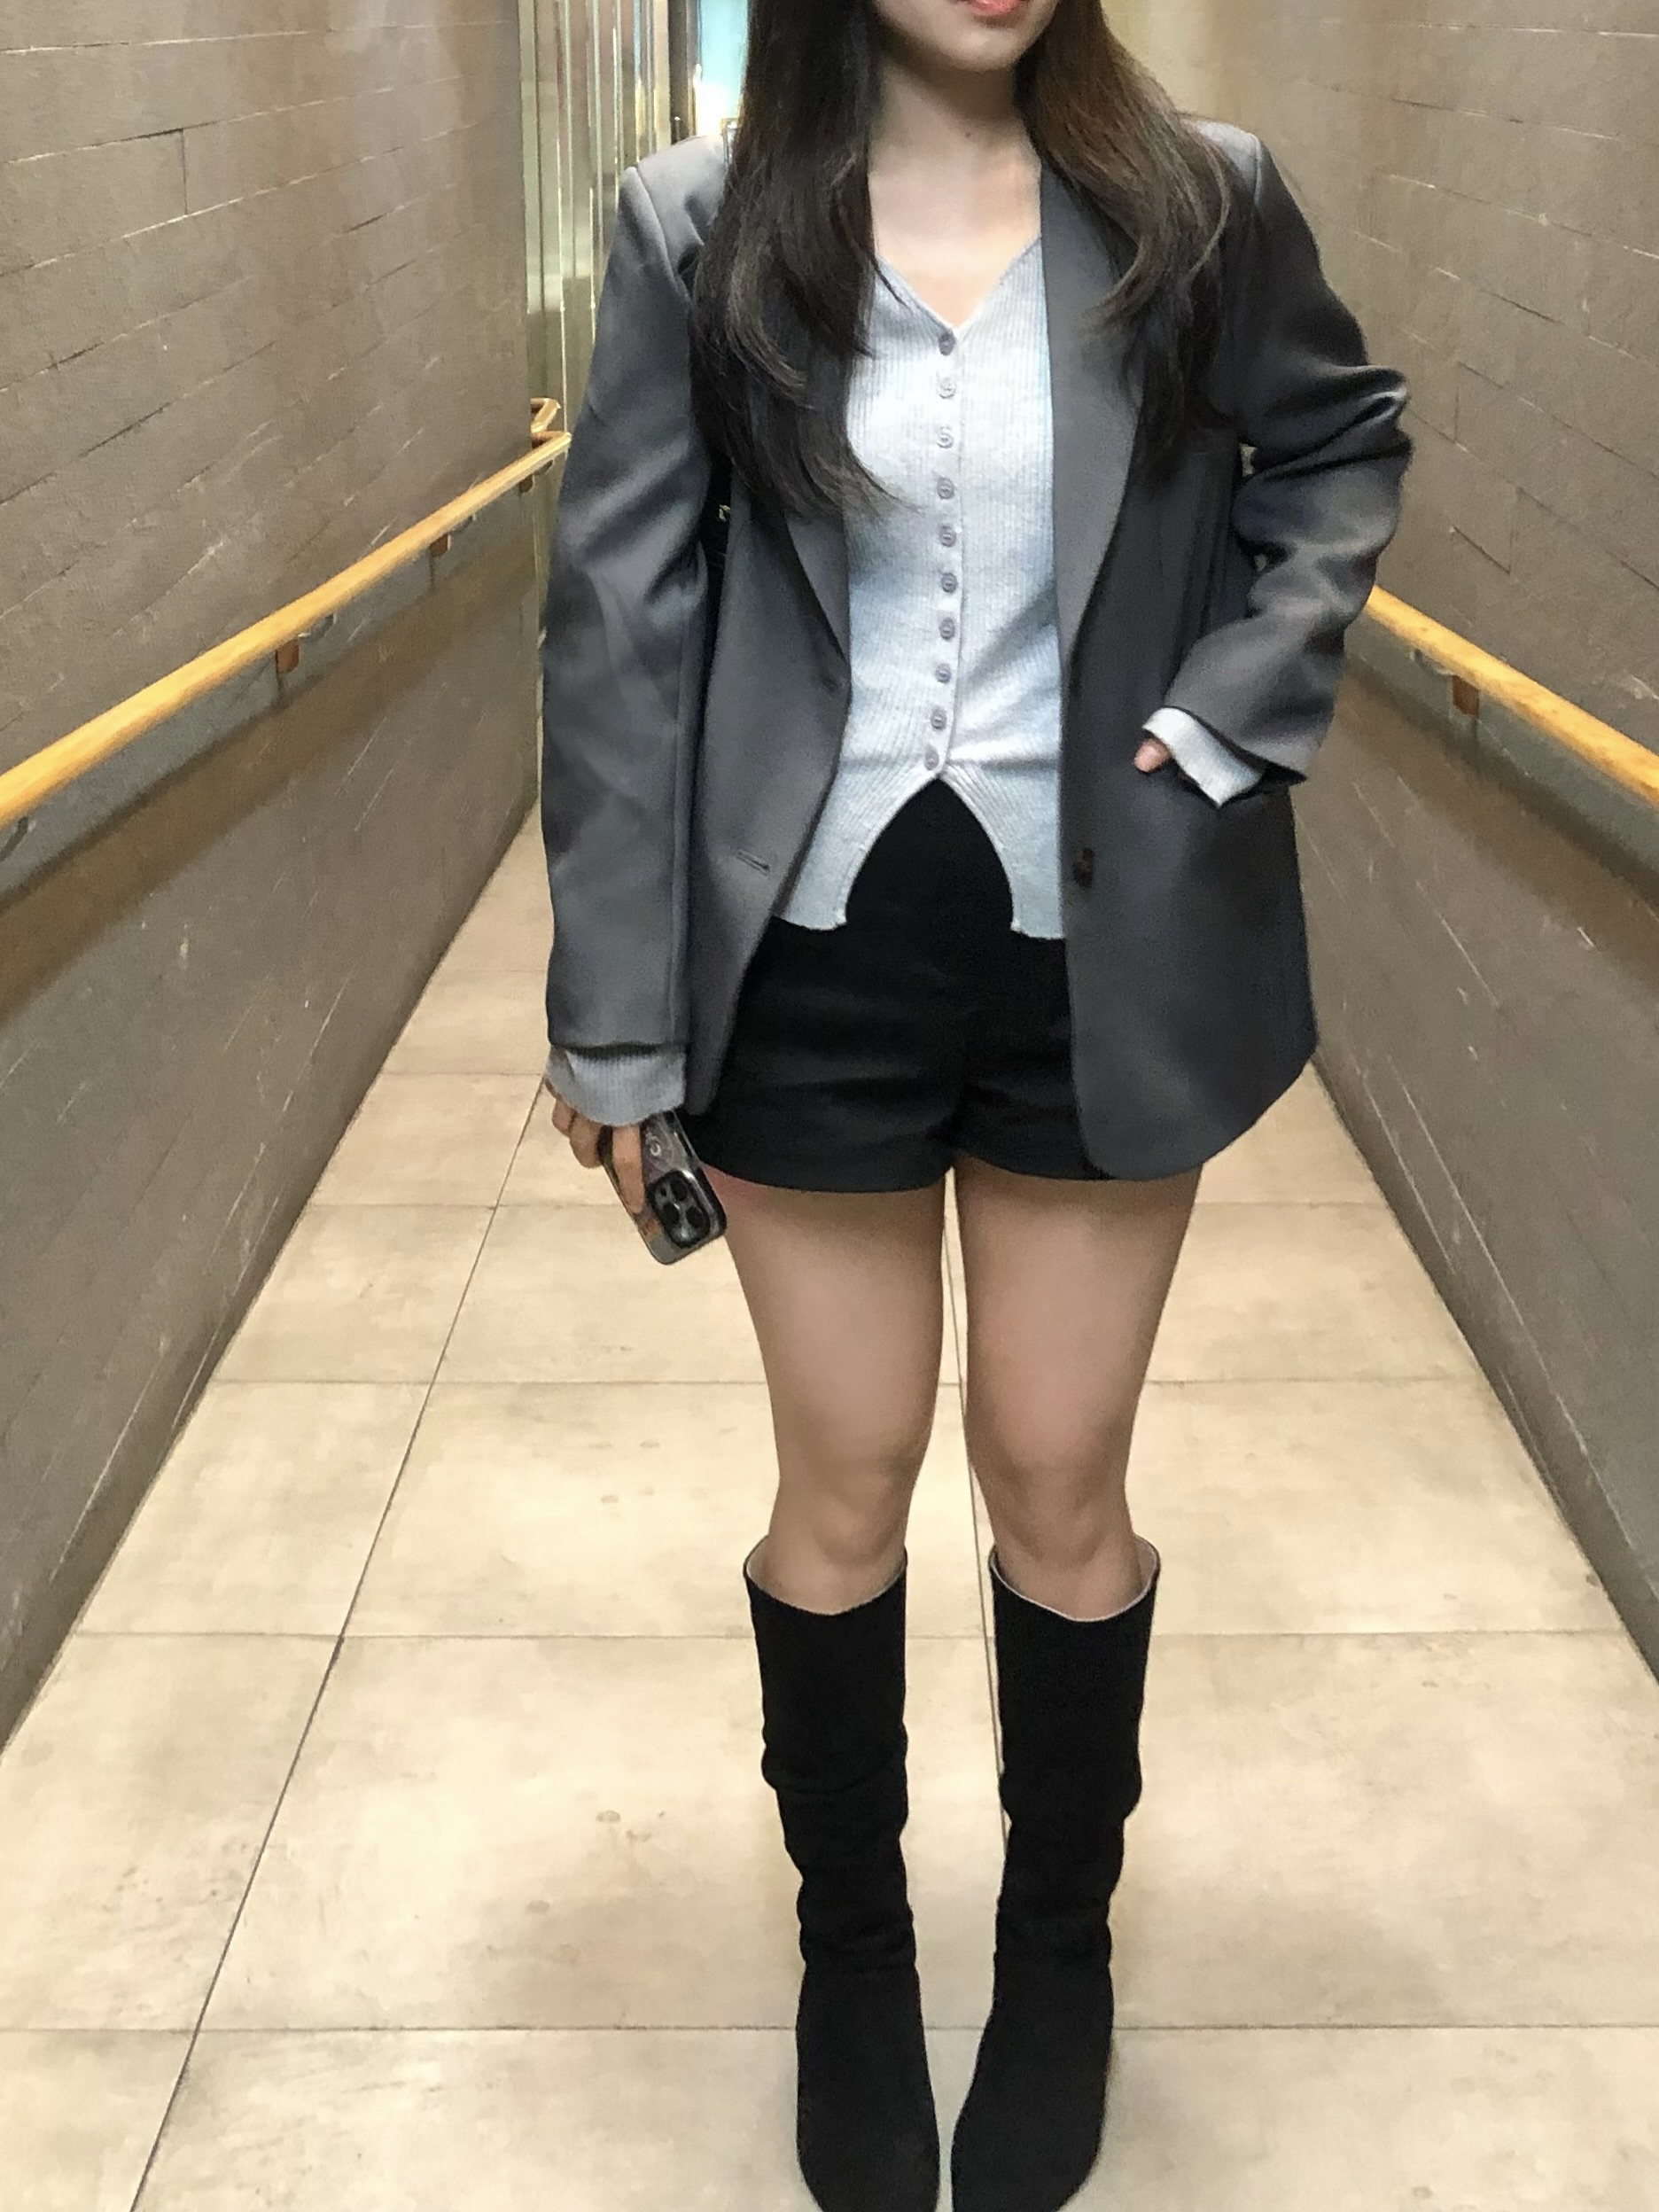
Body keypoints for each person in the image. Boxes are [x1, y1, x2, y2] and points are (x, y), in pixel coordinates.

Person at [540, 2, 1410, 2206]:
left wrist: (1238, 705)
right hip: (805, 963)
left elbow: (1339, 448)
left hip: (1097, 955)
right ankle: (853, 1959)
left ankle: (1057, 1954)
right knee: (843, 1482)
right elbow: (619, 621)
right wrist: (614, 1022)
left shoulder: (1196, 205)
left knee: (1055, 1475)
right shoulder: (698, 224)